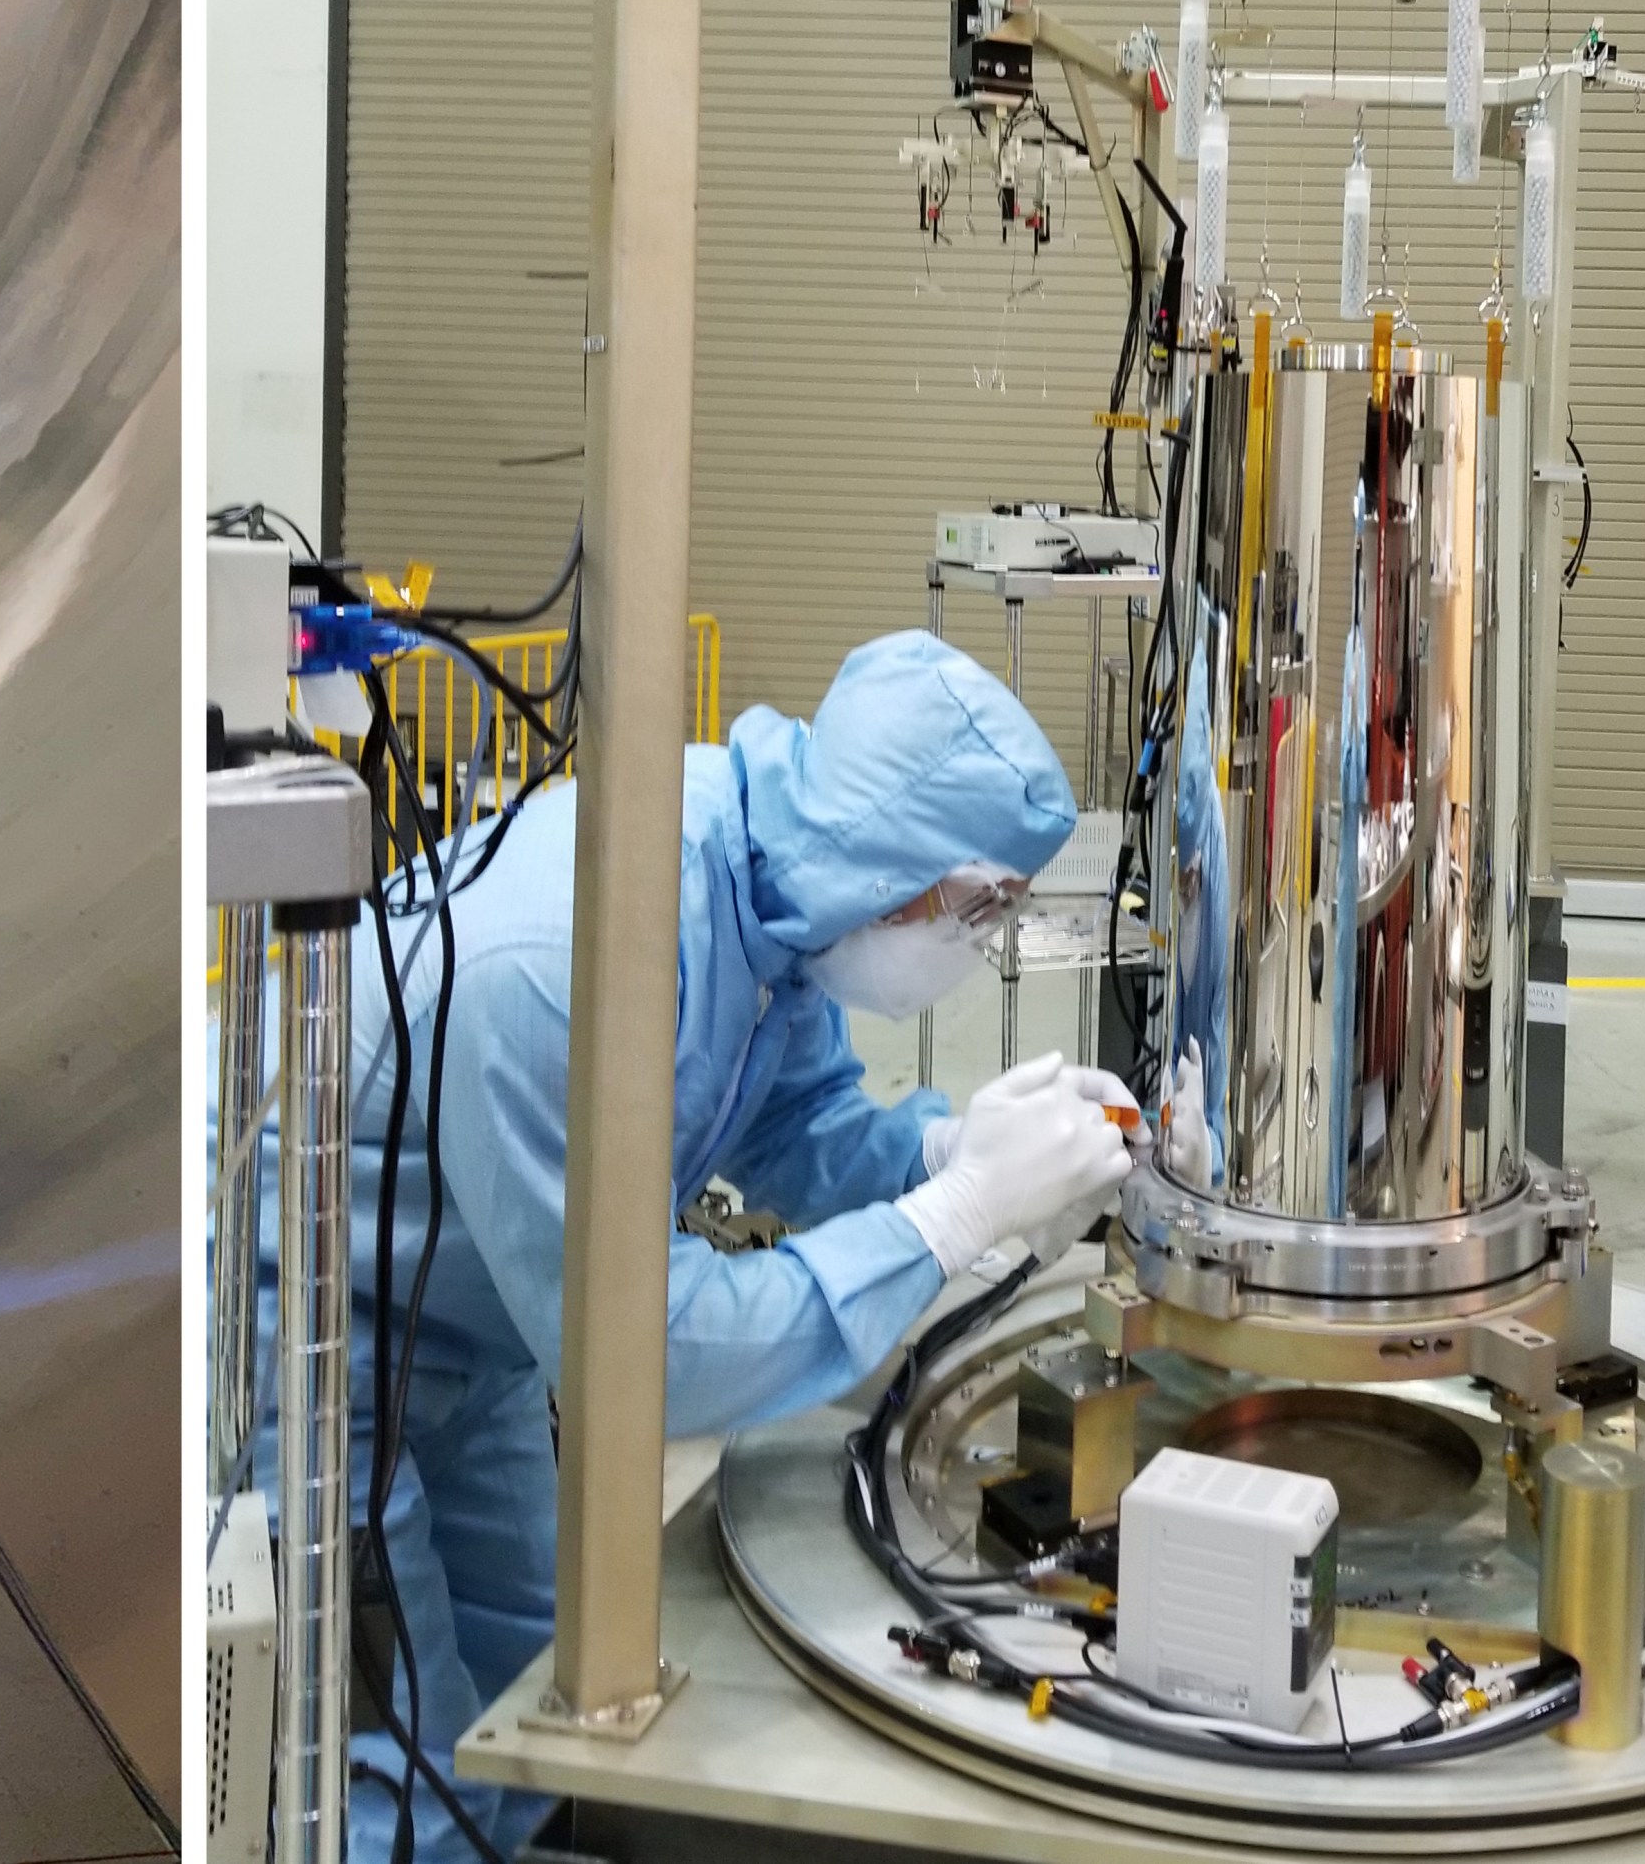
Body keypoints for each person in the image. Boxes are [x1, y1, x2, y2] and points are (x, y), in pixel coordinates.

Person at [252, 631, 1130, 1864]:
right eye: (979, 908)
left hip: (478, 1341)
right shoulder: (569, 958)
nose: (981, 944)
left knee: (530, 1686)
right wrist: (953, 1221)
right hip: (317, 1343)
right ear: (891, 862)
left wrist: (944, 1154)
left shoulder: (774, 893)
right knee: (402, 1754)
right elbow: (641, 1355)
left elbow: (789, 1115)